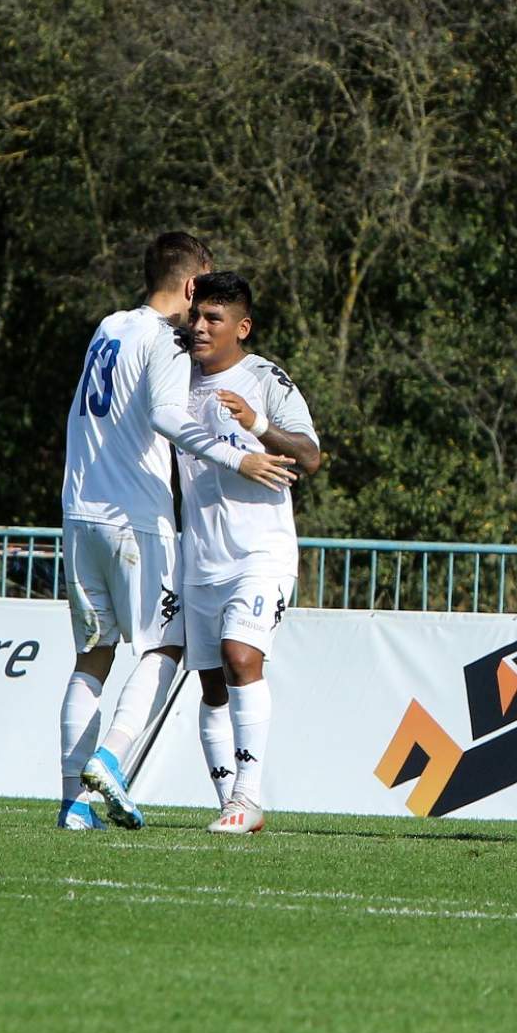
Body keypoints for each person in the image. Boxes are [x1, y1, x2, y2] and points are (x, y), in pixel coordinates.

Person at [59, 234, 296, 832]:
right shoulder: (167, 338)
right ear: (192, 287)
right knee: (166, 646)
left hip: (78, 511)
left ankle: (72, 805)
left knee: (93, 654)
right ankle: (110, 763)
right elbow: (167, 414)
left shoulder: (109, 326)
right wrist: (235, 457)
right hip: (136, 519)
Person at [176, 271, 320, 834]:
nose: (201, 327)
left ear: (243, 326)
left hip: (261, 553)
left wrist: (257, 425)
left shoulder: (264, 377)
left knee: (241, 657)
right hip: (200, 556)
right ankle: (229, 803)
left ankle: (249, 795)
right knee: (211, 682)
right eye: (197, 316)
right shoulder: (176, 379)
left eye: (214, 319)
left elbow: (310, 456)